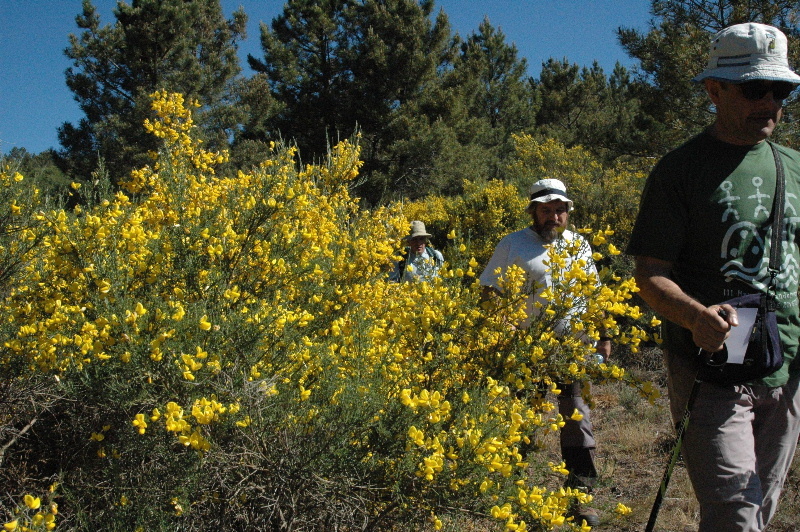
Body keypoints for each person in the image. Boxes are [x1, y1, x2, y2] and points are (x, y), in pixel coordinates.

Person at [627, 22, 800, 531]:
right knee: (734, 513)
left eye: (780, 89)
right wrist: (697, 317)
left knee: (760, 508)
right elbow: (650, 275)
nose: (769, 101)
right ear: (714, 90)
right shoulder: (680, 171)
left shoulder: (794, 165)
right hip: (713, 364)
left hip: (786, 363)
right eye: (753, 89)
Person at [479, 178, 611, 527]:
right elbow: (489, 291)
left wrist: (603, 335)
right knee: (520, 422)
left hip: (570, 350)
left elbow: (594, 295)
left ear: (567, 213)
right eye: (546, 210)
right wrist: (503, 329)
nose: (553, 216)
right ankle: (512, 492)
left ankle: (581, 497)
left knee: (576, 421)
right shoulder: (513, 244)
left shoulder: (580, 246)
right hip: (524, 351)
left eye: (559, 210)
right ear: (533, 211)